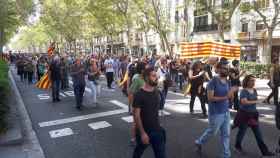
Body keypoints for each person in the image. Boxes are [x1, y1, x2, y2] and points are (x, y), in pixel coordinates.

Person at [195, 60, 238, 158]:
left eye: (227, 68)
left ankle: (225, 155)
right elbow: (210, 98)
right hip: (215, 113)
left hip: (226, 112)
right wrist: (226, 96)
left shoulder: (228, 81)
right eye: (223, 68)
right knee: (212, 132)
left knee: (226, 134)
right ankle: (199, 142)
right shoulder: (213, 82)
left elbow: (230, 97)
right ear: (218, 69)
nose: (226, 70)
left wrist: (232, 92)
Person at [232, 74, 275, 156]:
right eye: (251, 80)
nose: (253, 82)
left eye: (254, 80)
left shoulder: (254, 90)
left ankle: (265, 151)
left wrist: (256, 101)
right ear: (247, 81)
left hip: (253, 115)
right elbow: (244, 102)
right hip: (245, 115)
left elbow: (255, 99)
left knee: (258, 134)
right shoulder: (244, 91)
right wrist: (255, 102)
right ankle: (237, 146)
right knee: (242, 132)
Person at [132, 67, 166, 158]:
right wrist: (142, 133)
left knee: (161, 155)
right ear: (147, 78)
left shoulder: (156, 91)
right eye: (154, 76)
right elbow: (136, 115)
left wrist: (159, 124)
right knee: (138, 152)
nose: (156, 77)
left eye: (156, 76)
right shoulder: (139, 95)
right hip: (145, 131)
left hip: (157, 130)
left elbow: (155, 111)